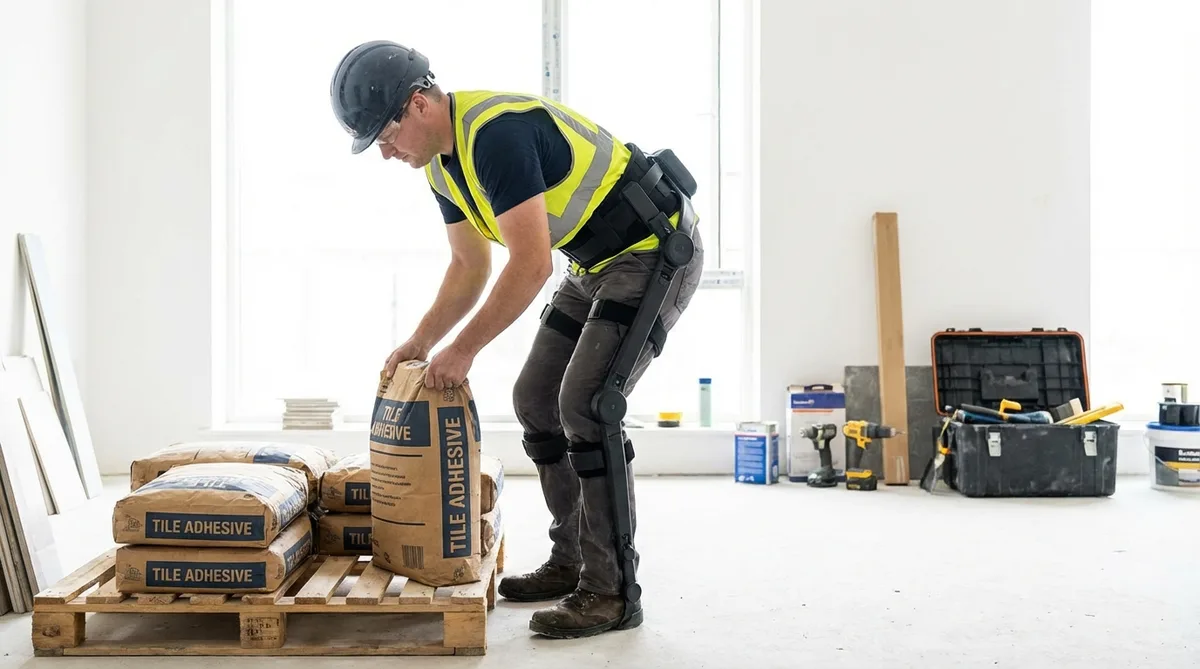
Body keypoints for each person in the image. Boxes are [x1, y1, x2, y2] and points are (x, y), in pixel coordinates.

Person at [330, 40, 704, 639]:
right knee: (536, 400)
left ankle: (612, 593)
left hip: (652, 249)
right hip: (591, 262)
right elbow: (468, 266)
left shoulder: (496, 137)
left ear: (419, 103)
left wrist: (465, 349)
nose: (385, 152)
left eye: (385, 134)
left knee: (586, 406)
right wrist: (422, 342)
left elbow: (529, 265)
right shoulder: (441, 166)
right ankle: (571, 560)